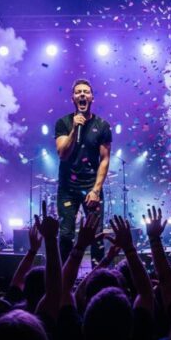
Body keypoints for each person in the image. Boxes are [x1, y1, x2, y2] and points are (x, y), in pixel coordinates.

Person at [54, 79, 112, 264]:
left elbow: (104, 160)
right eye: (78, 92)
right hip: (67, 188)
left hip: (91, 187)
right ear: (73, 98)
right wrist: (74, 129)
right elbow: (63, 154)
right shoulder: (63, 123)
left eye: (86, 92)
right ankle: (63, 279)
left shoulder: (102, 126)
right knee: (65, 235)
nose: (82, 95)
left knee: (96, 237)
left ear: (92, 97)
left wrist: (96, 190)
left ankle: (98, 278)